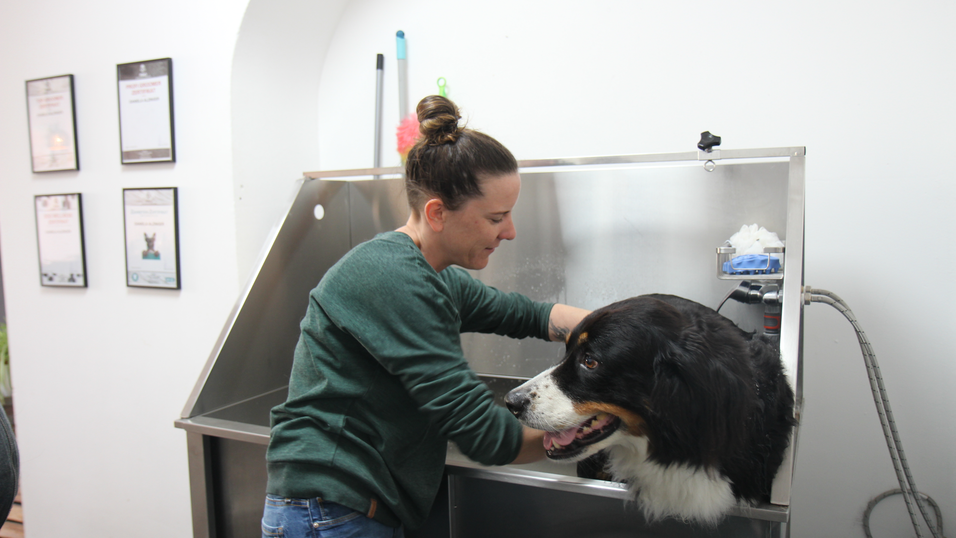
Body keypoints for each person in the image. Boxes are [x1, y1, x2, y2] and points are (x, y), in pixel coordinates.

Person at [261, 95, 589, 538]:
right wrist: (589, 436)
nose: (510, 232)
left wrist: (630, 327)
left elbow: (530, 315)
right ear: (437, 213)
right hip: (329, 514)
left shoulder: (429, 277)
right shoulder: (390, 278)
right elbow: (477, 426)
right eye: (497, 217)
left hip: (347, 511)